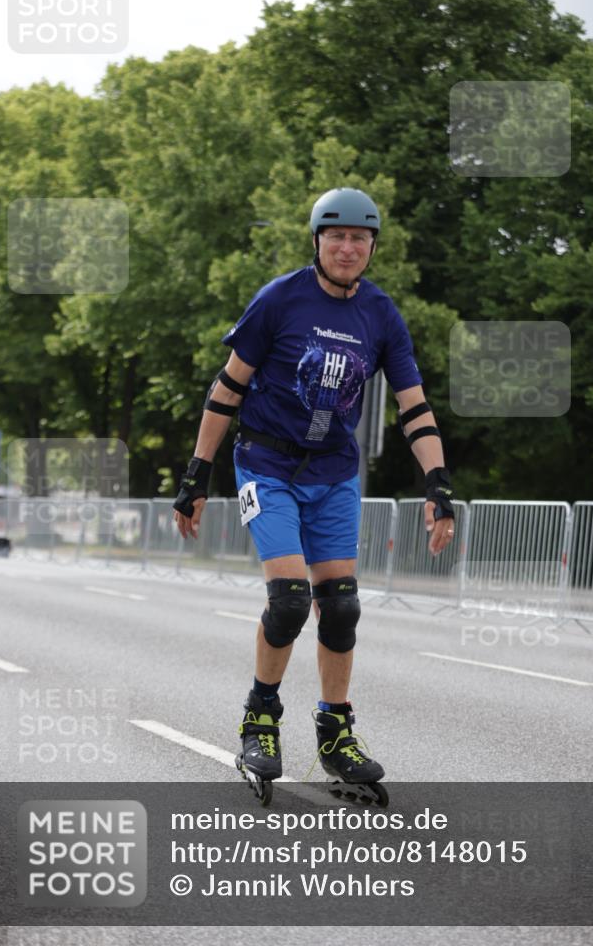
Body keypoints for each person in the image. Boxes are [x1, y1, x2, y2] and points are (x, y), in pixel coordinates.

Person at [173, 188, 455, 802]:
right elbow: (227, 389)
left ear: (372, 247)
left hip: (333, 474)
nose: (348, 248)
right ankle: (260, 719)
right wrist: (197, 474)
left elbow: (414, 407)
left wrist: (438, 484)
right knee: (291, 602)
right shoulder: (280, 299)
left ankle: (335, 733)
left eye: (360, 238)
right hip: (266, 465)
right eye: (337, 236)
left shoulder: (381, 314)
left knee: (342, 607)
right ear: (317, 241)